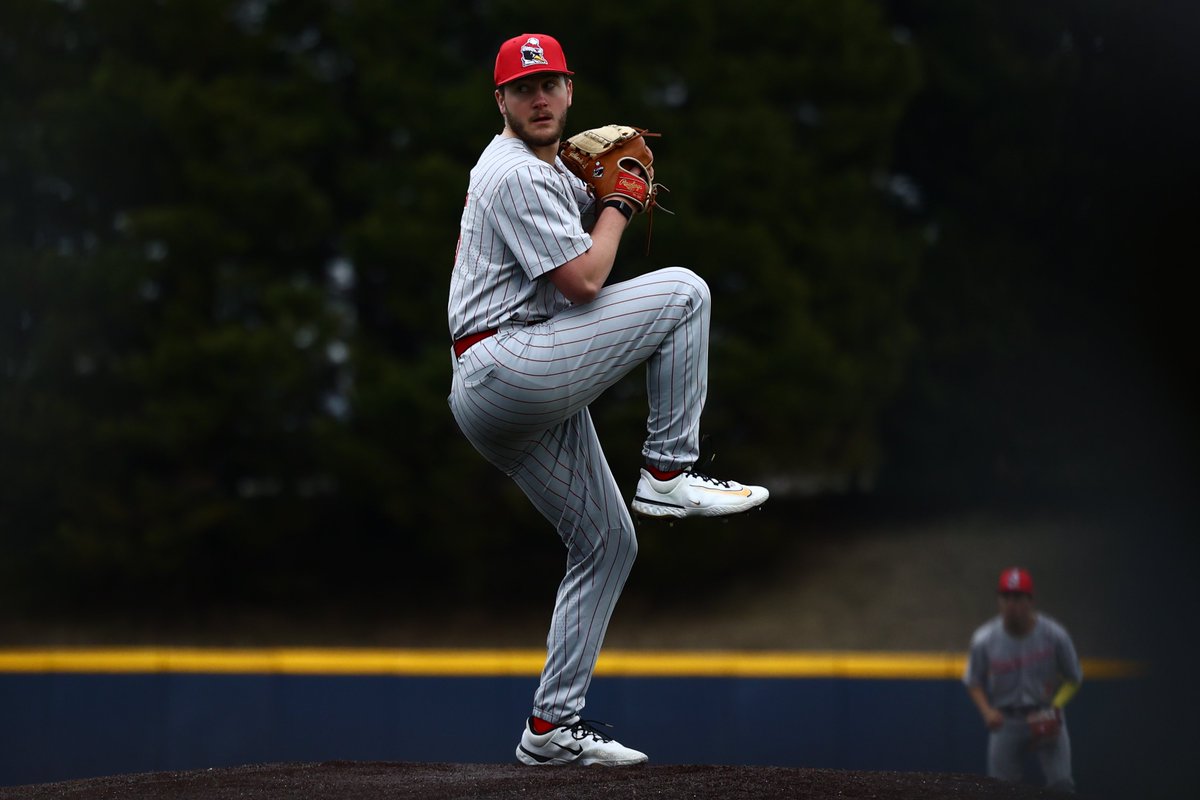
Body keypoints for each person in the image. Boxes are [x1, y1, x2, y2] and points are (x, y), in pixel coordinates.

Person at [447, 33, 769, 766]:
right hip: (509, 364)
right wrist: (618, 203)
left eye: (550, 84)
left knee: (607, 542)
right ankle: (666, 472)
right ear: (499, 100)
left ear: (569, 90)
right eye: (523, 89)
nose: (539, 98)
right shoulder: (516, 175)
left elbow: (575, 253)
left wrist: (595, 189)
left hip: (502, 387)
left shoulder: (541, 169)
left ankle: (550, 731)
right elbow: (585, 283)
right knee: (686, 293)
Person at [964, 567, 1083, 792]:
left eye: (1018, 597)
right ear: (999, 600)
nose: (1012, 604)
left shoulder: (1055, 635)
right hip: (1007, 721)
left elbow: (1074, 677)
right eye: (1006, 597)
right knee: (999, 790)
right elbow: (973, 680)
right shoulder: (984, 639)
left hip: (1046, 715)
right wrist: (987, 712)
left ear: (1030, 600)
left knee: (1062, 786)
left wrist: (1055, 707)